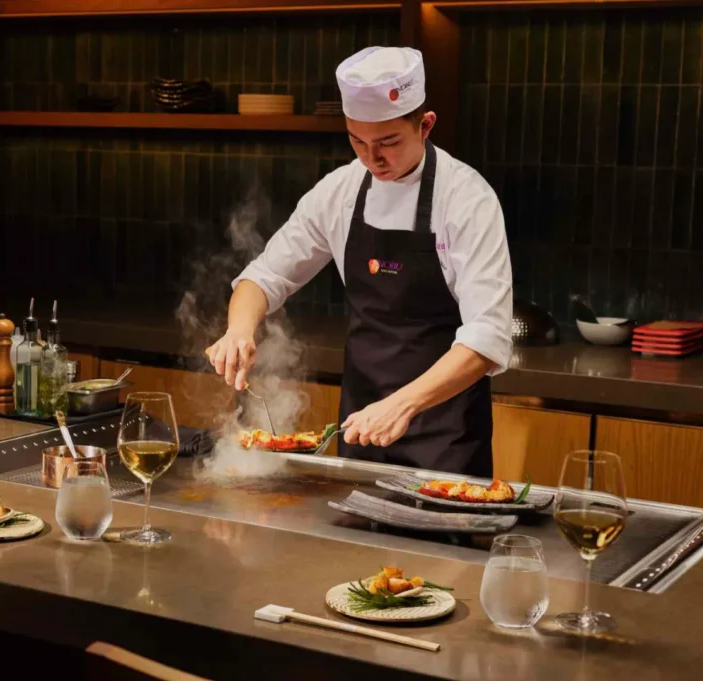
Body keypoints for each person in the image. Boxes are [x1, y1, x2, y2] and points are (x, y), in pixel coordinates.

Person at [206, 46, 512, 475]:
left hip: (446, 442)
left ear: (425, 125)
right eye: (358, 141)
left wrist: (401, 405)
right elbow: (264, 276)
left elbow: (487, 338)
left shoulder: (466, 199)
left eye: (388, 142)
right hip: (361, 431)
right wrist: (239, 328)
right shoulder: (342, 190)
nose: (372, 159)